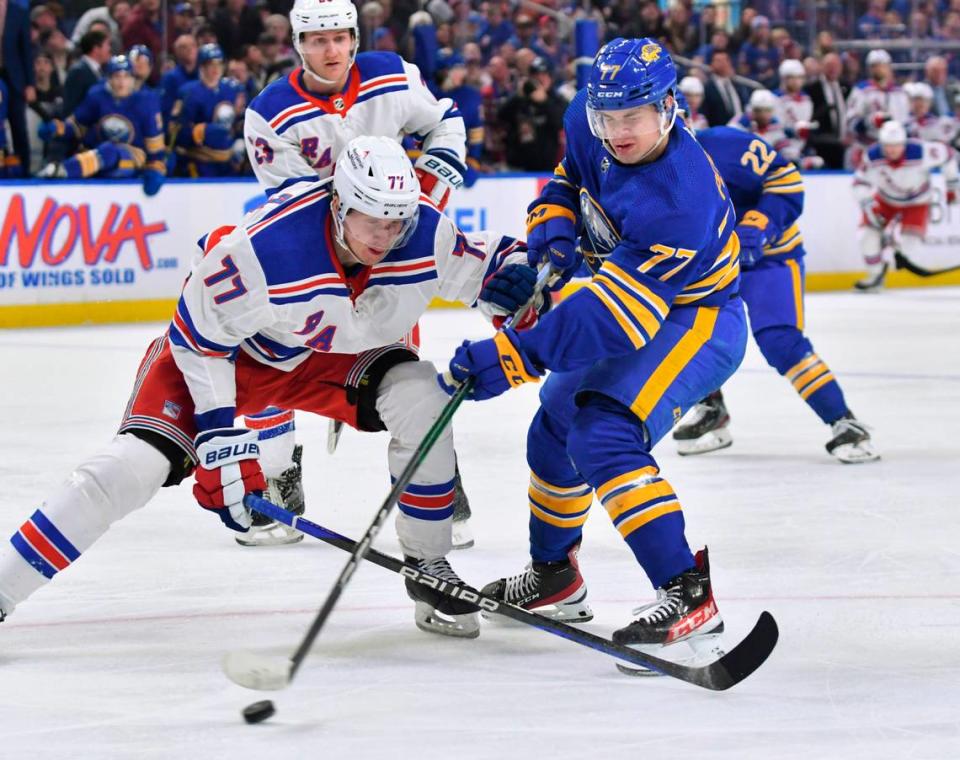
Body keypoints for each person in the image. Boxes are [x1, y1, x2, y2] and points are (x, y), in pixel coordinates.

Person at [0, 136, 526, 638]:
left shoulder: (422, 234)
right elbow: (199, 334)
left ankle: (428, 565)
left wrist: (518, 282)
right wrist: (217, 438)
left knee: (424, 398)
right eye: (371, 219)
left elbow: (490, 264)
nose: (384, 238)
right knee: (127, 471)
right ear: (339, 205)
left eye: (396, 222)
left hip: (328, 357)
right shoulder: (268, 246)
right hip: (227, 358)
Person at [443, 39, 746, 665]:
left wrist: (512, 355)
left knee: (602, 433)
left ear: (669, 107)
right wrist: (551, 232)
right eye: (605, 118)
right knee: (553, 430)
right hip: (634, 300)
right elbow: (567, 179)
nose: (615, 132)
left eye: (631, 118)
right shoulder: (592, 116)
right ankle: (555, 576)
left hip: (699, 319)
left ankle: (687, 594)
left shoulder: (679, 199)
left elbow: (615, 318)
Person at [240, 0, 475, 548]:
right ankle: (279, 475)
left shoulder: (391, 75)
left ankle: (442, 487)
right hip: (316, 258)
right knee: (275, 353)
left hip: (391, 247)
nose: (332, 50)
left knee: (407, 376)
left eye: (340, 37)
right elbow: (295, 204)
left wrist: (428, 196)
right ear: (299, 45)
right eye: (318, 40)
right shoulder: (270, 113)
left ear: (353, 36)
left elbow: (443, 120)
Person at [671, 126, 879, 463]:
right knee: (688, 337)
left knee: (780, 340)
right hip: (706, 263)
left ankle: (842, 420)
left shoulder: (726, 145)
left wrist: (760, 223)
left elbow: (786, 181)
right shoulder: (625, 165)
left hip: (769, 256)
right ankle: (712, 409)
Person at [35, 55, 166, 197]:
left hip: (132, 160)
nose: (121, 82)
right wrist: (57, 128)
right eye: (117, 77)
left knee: (109, 150)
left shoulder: (146, 101)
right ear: (109, 79)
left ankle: (62, 170)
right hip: (100, 161)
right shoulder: (97, 96)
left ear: (133, 79)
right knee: (104, 151)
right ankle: (64, 170)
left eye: (126, 77)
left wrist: (155, 169)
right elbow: (78, 126)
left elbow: (155, 146)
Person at [853, 120, 959, 291]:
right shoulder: (873, 155)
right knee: (866, 236)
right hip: (885, 200)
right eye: (888, 145)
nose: (892, 150)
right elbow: (859, 183)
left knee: (909, 244)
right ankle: (875, 276)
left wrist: (952, 187)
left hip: (917, 202)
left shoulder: (921, 151)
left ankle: (893, 253)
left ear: (904, 143)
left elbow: (948, 155)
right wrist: (868, 204)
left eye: (896, 145)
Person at [170, 43, 246, 177]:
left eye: (219, 64)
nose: (215, 69)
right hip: (199, 161)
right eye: (211, 64)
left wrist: (240, 140)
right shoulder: (189, 92)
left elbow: (241, 121)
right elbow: (177, 130)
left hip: (228, 161)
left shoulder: (233, 89)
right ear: (201, 66)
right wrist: (201, 132)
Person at [846, 49, 909, 162]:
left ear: (889, 67)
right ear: (869, 69)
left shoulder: (900, 93)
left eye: (882, 65)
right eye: (874, 66)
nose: (879, 69)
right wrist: (870, 121)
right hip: (867, 146)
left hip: (894, 148)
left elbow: (906, 122)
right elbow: (850, 121)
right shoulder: (861, 90)